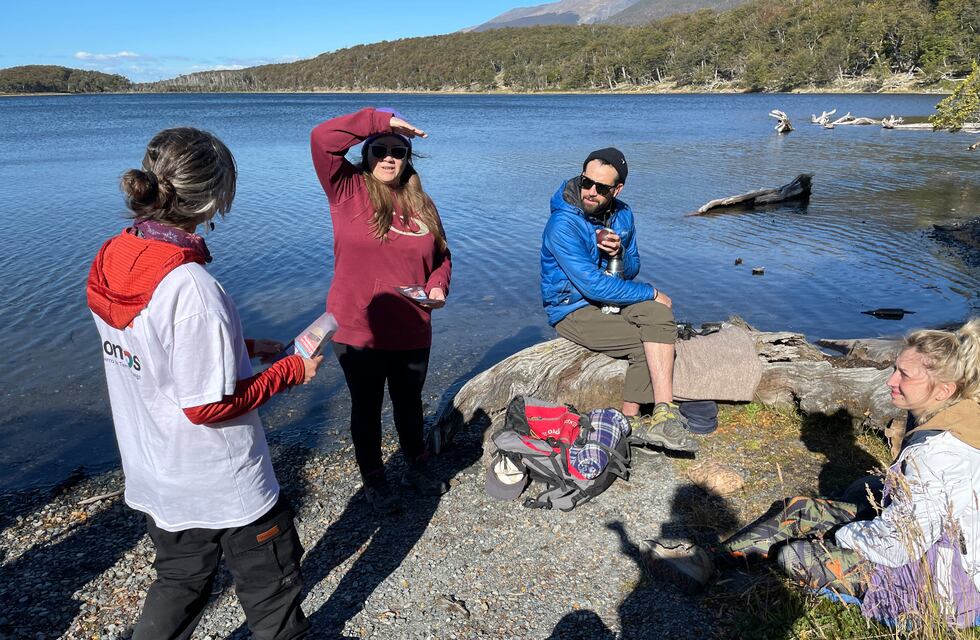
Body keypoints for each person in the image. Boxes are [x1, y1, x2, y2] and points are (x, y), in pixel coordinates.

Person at [87, 128, 321, 638]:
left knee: (178, 584)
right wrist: (289, 371)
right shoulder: (192, 288)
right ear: (215, 198)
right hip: (225, 481)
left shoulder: (113, 255)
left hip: (157, 473)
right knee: (273, 597)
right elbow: (206, 408)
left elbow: (154, 352)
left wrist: (239, 344)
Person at [642, 318, 980, 627]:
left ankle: (897, 614)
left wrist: (841, 534)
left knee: (795, 556)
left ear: (944, 389)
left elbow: (898, 547)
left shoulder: (939, 454)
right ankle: (711, 560)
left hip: (939, 588)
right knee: (800, 508)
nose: (891, 380)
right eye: (895, 368)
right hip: (926, 545)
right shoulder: (952, 415)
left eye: (904, 374)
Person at [311, 107, 452, 514]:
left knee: (409, 401)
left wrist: (437, 286)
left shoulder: (422, 203)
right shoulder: (345, 190)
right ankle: (375, 480)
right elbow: (322, 137)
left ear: (408, 159)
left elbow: (442, 256)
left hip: (412, 326)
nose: (389, 158)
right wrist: (380, 121)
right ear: (365, 152)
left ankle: (416, 465)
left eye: (398, 152)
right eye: (380, 150)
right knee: (367, 406)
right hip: (359, 327)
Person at [540, 147, 697, 453]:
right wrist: (650, 291)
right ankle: (628, 421)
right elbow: (593, 286)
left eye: (601, 188)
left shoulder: (623, 214)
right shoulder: (563, 224)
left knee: (659, 316)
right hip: (572, 307)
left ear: (617, 189)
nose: (591, 192)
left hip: (611, 296)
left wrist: (619, 254)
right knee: (644, 338)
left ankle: (664, 412)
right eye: (587, 182)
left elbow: (634, 266)